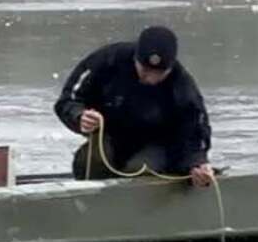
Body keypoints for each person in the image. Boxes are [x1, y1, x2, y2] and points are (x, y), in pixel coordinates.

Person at [54, 25, 214, 187]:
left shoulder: (182, 85)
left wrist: (196, 162)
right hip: (110, 137)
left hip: (156, 144)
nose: (150, 79)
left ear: (170, 69)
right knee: (88, 161)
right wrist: (79, 115)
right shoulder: (107, 60)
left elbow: (196, 128)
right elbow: (68, 99)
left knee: (140, 170)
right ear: (135, 59)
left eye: (159, 74)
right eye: (144, 70)